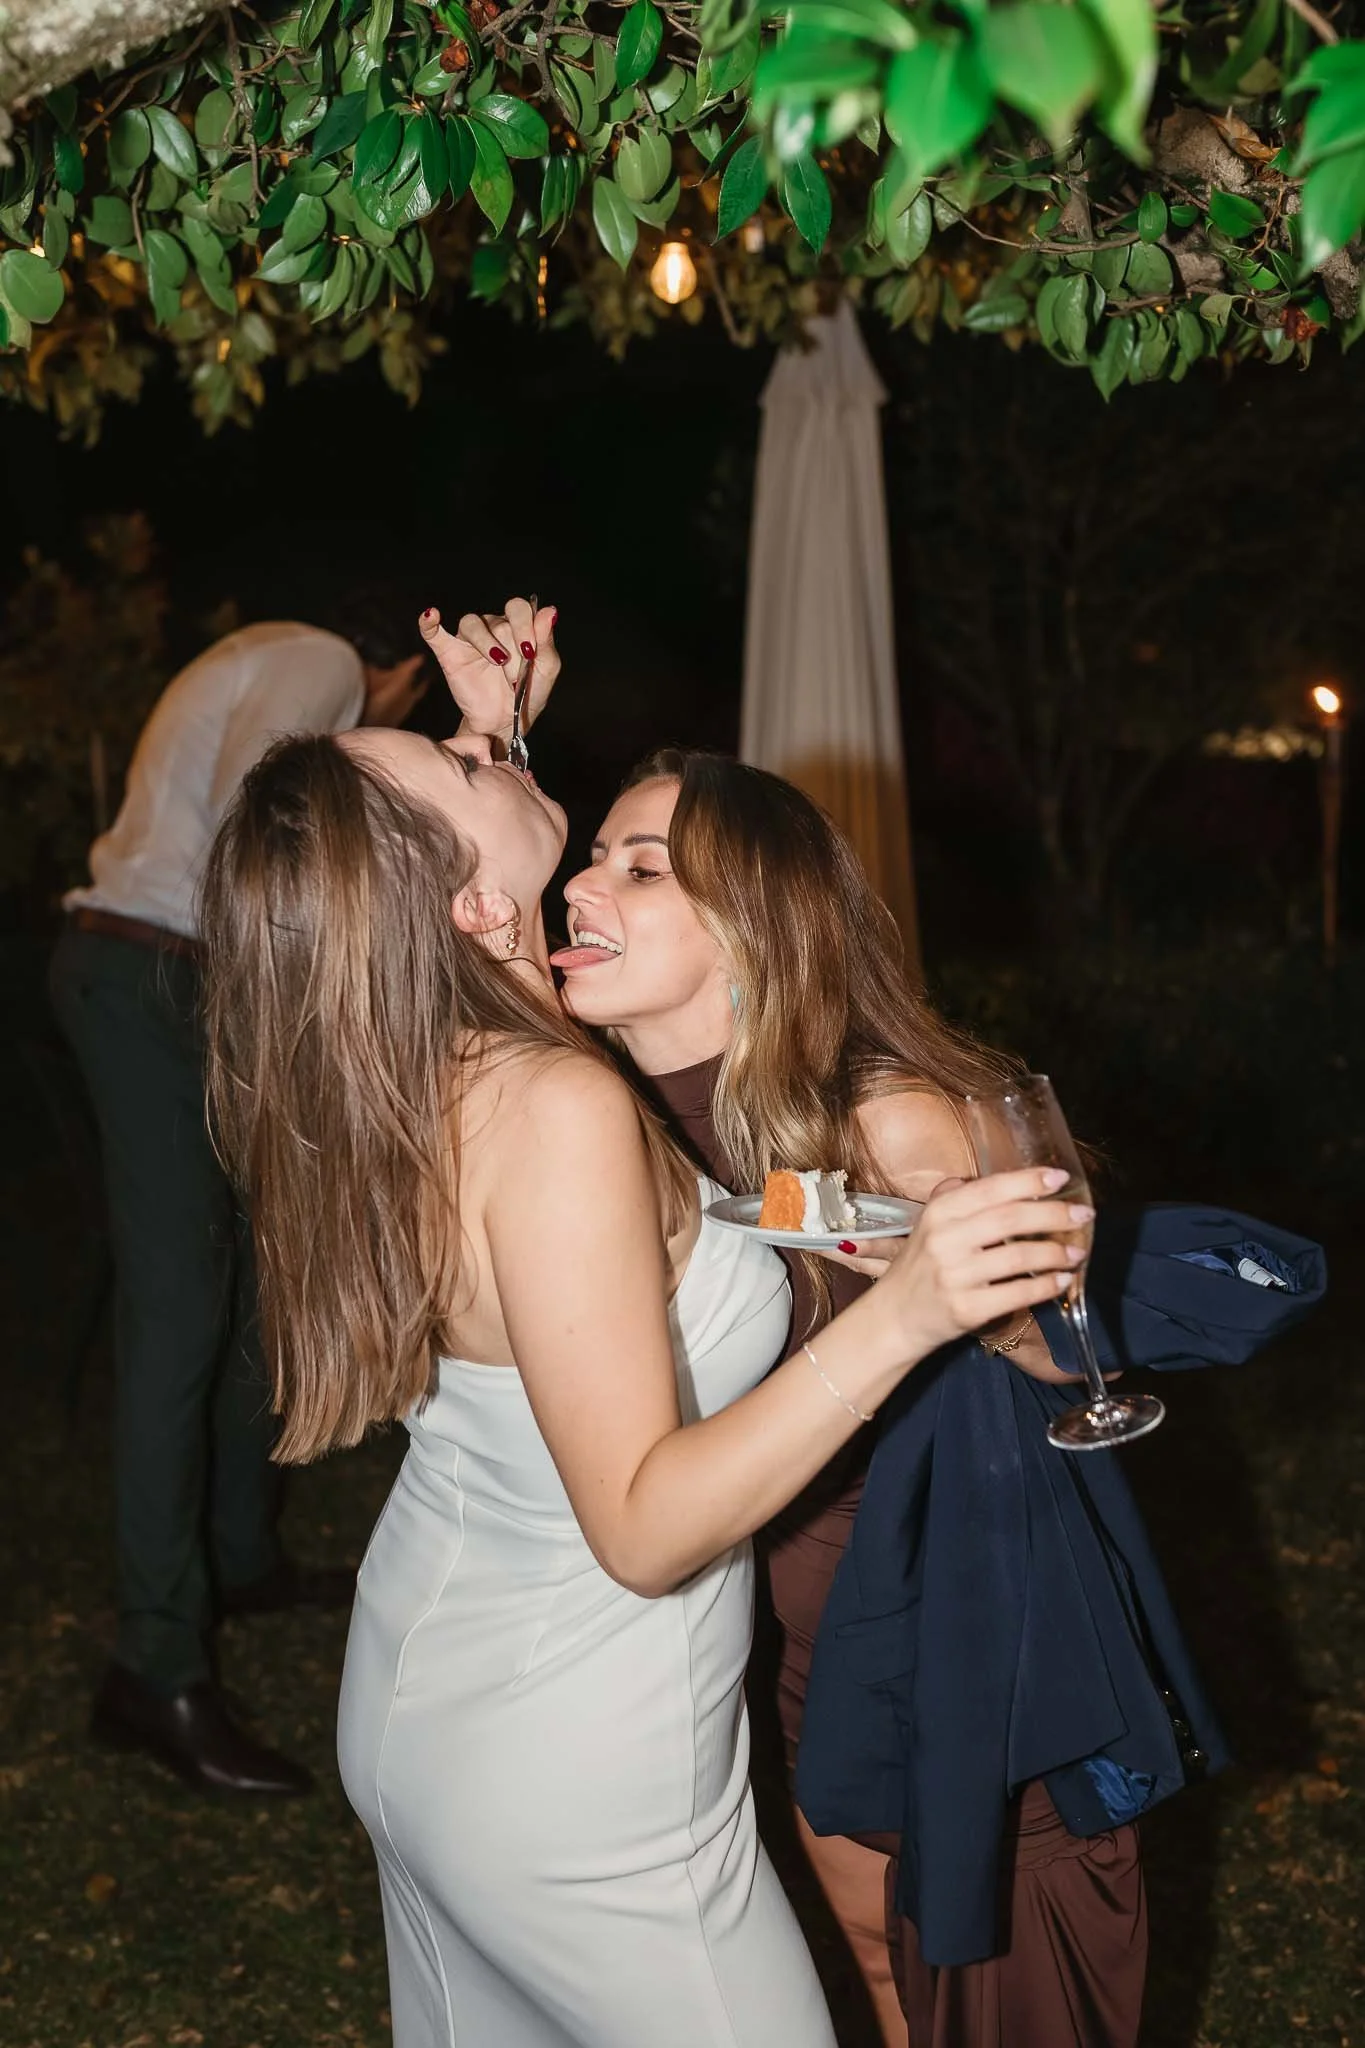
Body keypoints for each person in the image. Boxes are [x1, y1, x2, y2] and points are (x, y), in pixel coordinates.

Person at [197, 705, 1083, 2048]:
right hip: (579, 1772)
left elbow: (486, 920)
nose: (486, 743)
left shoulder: (426, 1068)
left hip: (431, 1696)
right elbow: (643, 1527)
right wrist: (904, 1312)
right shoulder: (555, 1109)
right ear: (473, 900)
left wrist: (488, 766)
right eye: (457, 760)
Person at [49, 606, 428, 1796]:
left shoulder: (261, 650)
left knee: (259, 1281)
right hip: (158, 972)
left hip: (172, 976)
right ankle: (153, 1668)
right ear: (403, 668)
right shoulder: (321, 663)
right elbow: (250, 837)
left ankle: (240, 1553)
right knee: (179, 1316)